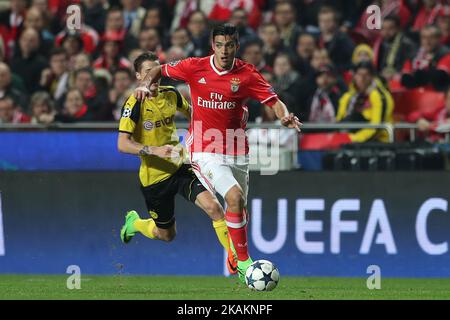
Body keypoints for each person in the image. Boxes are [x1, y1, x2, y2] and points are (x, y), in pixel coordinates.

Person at [134, 24, 301, 283]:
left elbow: (273, 101)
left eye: (230, 45)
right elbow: (158, 69)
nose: (224, 51)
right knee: (233, 197)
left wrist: (285, 116)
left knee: (239, 207)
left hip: (236, 149)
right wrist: (145, 85)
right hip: (203, 148)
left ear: (237, 46)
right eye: (220, 45)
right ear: (213, 45)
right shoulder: (194, 66)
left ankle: (236, 253)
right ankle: (244, 263)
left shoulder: (247, 74)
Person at [118, 52, 238, 275]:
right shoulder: (134, 103)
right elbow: (122, 144)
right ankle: (134, 223)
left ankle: (236, 260)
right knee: (167, 235)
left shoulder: (171, 94)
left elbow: (193, 113)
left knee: (214, 207)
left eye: (156, 72)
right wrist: (155, 150)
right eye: (147, 72)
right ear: (138, 76)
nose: (154, 77)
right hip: (154, 180)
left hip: (181, 167)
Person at [336, 61, 394, 143]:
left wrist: (352, 139)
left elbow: (377, 127)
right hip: (350, 141)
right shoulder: (348, 97)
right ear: (354, 76)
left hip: (377, 142)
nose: (362, 79)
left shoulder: (379, 96)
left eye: (366, 75)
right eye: (359, 74)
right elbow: (339, 121)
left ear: (372, 77)